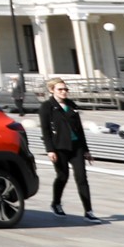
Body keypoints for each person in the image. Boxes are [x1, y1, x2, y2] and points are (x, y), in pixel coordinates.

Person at [38, 78, 98, 221]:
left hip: (76, 147)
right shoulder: (47, 107)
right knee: (62, 176)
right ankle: (56, 203)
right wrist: (50, 150)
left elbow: (79, 129)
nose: (64, 92)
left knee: (82, 178)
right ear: (52, 90)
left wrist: (86, 149)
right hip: (59, 147)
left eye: (65, 89)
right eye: (60, 89)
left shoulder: (71, 105)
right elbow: (45, 130)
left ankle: (88, 211)